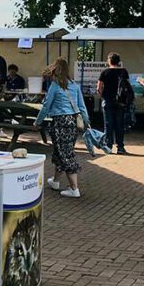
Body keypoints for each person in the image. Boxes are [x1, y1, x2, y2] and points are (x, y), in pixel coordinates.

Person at [37, 60, 87, 198]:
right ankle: (56, 181)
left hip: (59, 122)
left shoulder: (55, 86)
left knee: (65, 153)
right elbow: (81, 106)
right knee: (61, 151)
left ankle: (74, 188)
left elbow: (46, 106)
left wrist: (38, 121)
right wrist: (86, 122)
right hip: (73, 122)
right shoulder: (75, 86)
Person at [97, 53, 134, 155]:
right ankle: (120, 147)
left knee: (108, 124)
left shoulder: (105, 72)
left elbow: (99, 87)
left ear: (109, 61)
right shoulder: (123, 71)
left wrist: (102, 96)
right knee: (119, 124)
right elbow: (127, 86)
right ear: (118, 61)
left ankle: (108, 146)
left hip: (108, 100)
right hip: (120, 102)